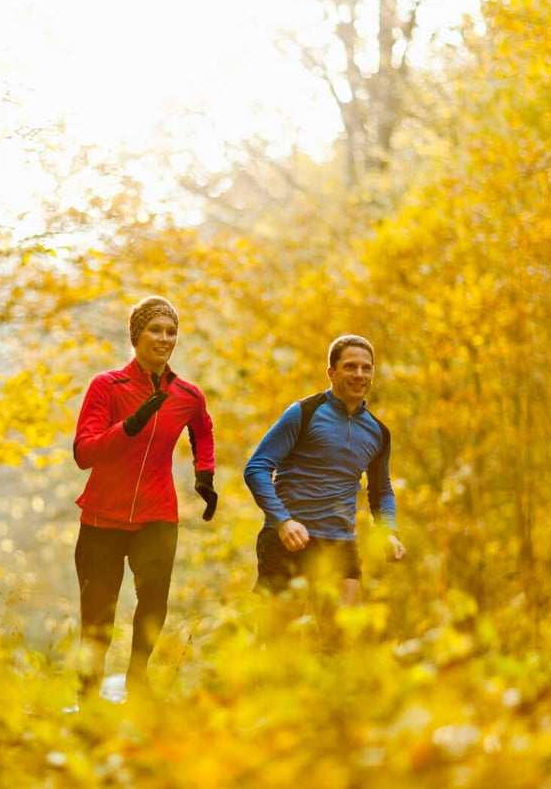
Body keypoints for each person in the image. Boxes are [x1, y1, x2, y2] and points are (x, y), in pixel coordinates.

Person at [72, 295, 217, 699]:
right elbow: (84, 453)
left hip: (157, 514)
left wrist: (204, 475)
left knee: (154, 601)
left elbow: (203, 430)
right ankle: (88, 693)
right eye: (155, 329)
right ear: (136, 336)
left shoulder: (188, 395)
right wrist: (129, 426)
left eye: (171, 331)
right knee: (97, 617)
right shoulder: (107, 386)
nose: (164, 338)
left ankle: (138, 679)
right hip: (102, 517)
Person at [244, 334, 405, 640]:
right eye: (350, 366)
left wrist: (388, 531)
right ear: (331, 372)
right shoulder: (304, 413)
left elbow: (381, 490)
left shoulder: (378, 432)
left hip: (340, 545)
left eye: (366, 368)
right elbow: (257, 468)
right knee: (281, 647)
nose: (359, 374)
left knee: (345, 645)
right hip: (287, 541)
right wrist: (283, 521)